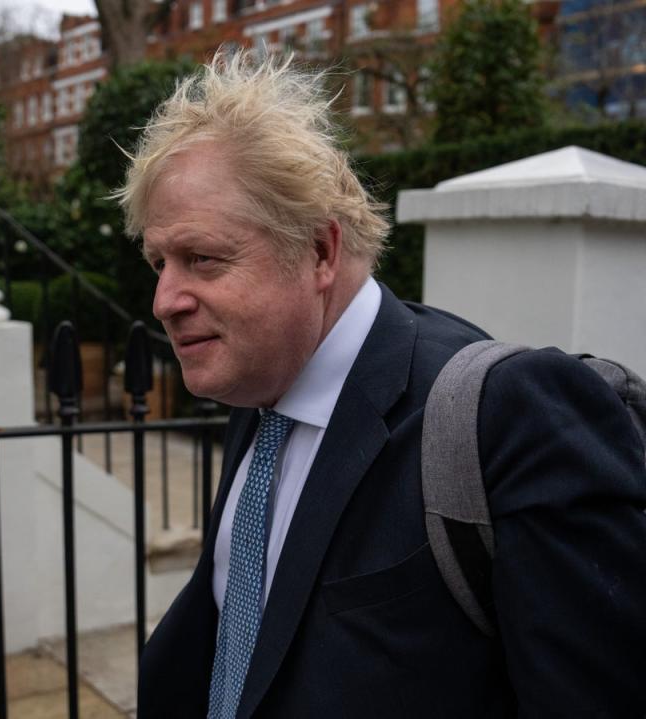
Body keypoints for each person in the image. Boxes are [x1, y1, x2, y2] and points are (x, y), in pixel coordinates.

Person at [115, 50, 646, 718]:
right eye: (159, 262)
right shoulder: (260, 392)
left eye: (203, 259)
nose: (165, 299)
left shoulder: (505, 416)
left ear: (320, 251)